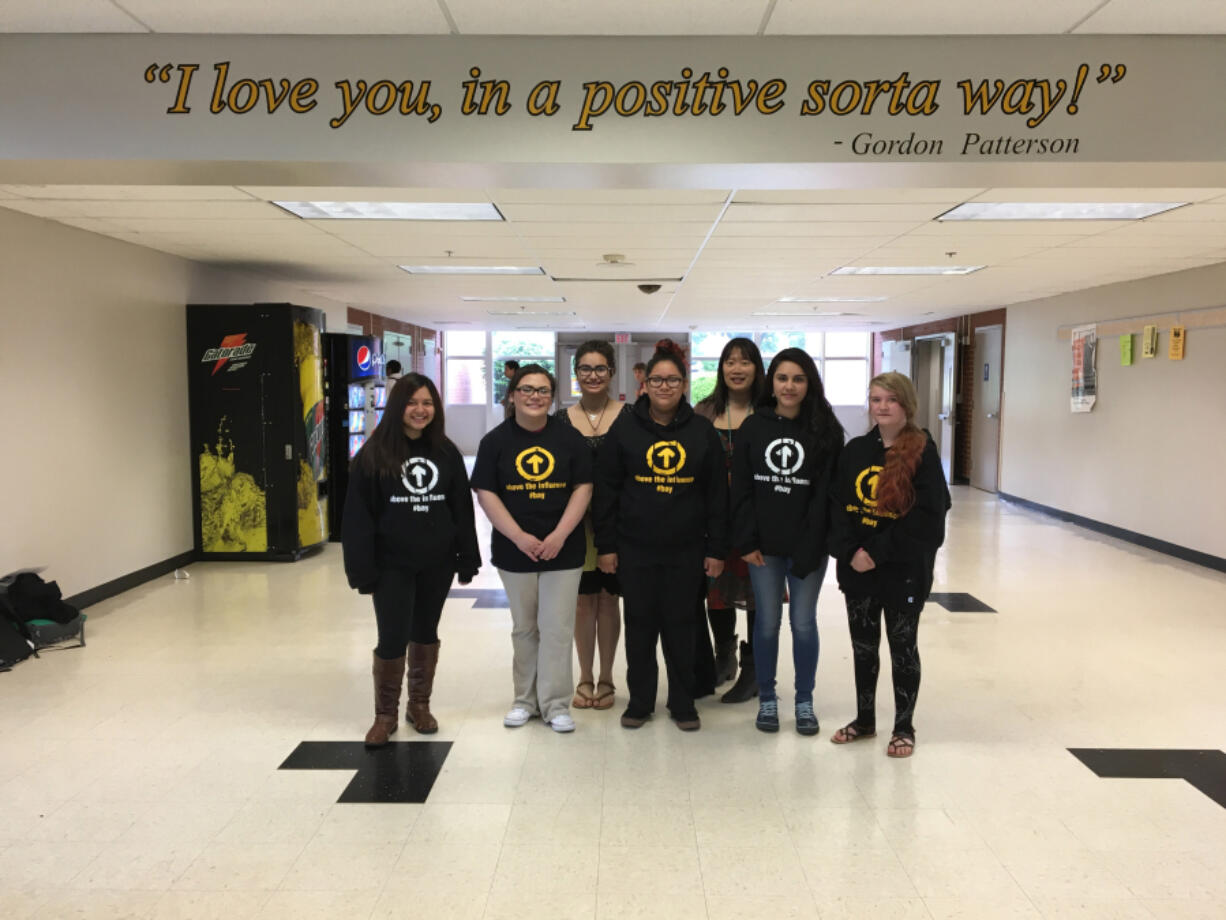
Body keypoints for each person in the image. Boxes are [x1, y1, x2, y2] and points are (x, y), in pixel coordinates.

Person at [341, 373, 480, 747]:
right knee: (392, 637)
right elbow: (357, 517)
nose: (421, 410)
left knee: (425, 632)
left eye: (428, 403)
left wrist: (468, 557)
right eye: (413, 402)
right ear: (398, 406)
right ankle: (384, 714)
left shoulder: (446, 452)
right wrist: (362, 570)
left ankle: (419, 705)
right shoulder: (374, 454)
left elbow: (461, 509)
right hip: (391, 565)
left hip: (436, 562)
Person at [594, 342, 727, 731]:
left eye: (672, 380)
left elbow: (717, 495)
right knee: (639, 627)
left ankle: (683, 702)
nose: (664, 386)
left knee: (682, 628)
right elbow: (607, 491)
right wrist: (607, 547)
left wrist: (716, 548)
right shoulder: (625, 429)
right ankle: (640, 702)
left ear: (684, 384)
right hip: (635, 550)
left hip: (687, 551)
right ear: (644, 384)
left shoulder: (702, 432)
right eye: (657, 379)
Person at [828, 371, 951, 758]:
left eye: (890, 400)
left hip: (903, 571)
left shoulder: (923, 453)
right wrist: (849, 551)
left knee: (902, 647)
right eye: (876, 399)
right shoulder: (856, 452)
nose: (881, 407)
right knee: (863, 648)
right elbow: (838, 508)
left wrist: (877, 552)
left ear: (907, 405)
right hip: (858, 569)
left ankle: (904, 726)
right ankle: (865, 720)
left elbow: (928, 519)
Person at [473, 364, 593, 733]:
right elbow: (486, 492)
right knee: (525, 627)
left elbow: (583, 488)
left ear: (552, 396)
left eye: (542, 390)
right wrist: (518, 537)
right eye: (526, 389)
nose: (534, 396)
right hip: (515, 551)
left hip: (564, 549)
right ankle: (524, 700)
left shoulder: (571, 439)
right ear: (511, 395)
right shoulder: (494, 442)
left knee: (556, 628)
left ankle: (556, 703)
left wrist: (559, 535)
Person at [732, 348, 843, 735]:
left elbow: (827, 496)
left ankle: (804, 700)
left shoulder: (826, 431)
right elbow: (742, 490)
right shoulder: (753, 427)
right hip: (762, 548)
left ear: (809, 382)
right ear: (771, 383)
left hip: (807, 547)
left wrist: (813, 547)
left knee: (803, 623)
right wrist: (745, 540)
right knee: (765, 624)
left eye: (798, 378)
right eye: (782, 378)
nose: (789, 386)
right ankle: (766, 698)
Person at [694, 337, 766, 702]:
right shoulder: (704, 411)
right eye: (730, 362)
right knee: (715, 591)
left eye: (745, 362)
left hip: (758, 522)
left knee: (757, 595)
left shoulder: (769, 411)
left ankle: (755, 670)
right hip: (713, 519)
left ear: (757, 368)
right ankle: (725, 656)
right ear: (721, 369)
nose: (737, 369)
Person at [557, 340, 622, 711]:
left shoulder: (630, 416)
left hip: (617, 526)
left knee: (609, 601)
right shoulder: (561, 420)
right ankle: (584, 676)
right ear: (576, 374)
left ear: (611, 372)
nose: (592, 375)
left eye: (600, 369)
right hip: (576, 526)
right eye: (585, 369)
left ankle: (608, 678)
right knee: (582, 603)